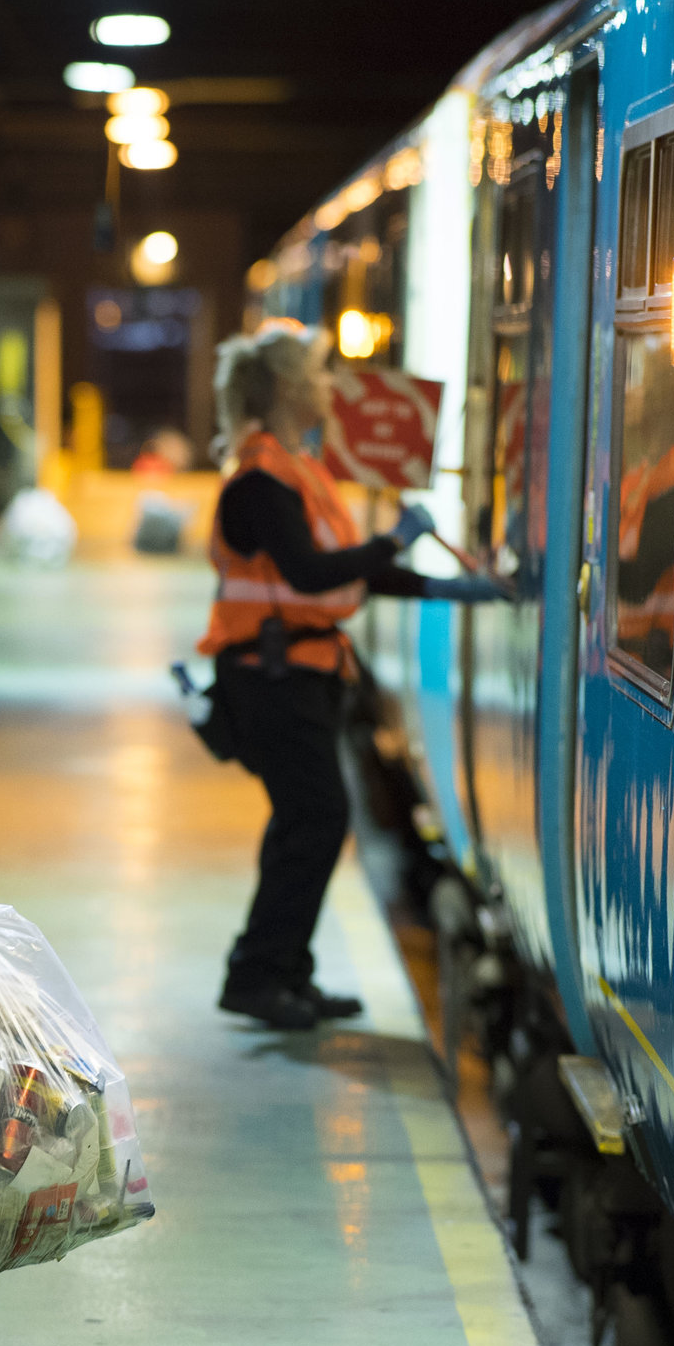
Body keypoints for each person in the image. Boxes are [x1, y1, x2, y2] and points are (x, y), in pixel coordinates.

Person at [196, 319, 504, 1031]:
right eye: (320, 373)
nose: (333, 386)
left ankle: (278, 971)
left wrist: (449, 589)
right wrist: (394, 537)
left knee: (306, 818)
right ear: (289, 389)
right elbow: (310, 572)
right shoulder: (261, 483)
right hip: (270, 678)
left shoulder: (295, 470)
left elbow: (349, 574)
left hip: (296, 673)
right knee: (316, 817)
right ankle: (259, 974)